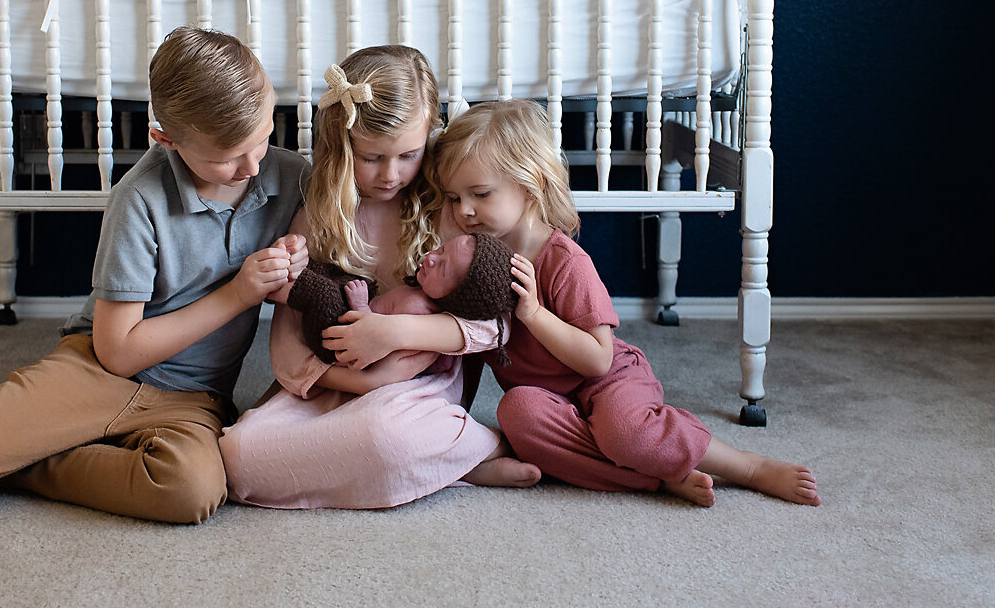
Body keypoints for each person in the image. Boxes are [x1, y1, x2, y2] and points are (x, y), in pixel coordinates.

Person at [0, 26, 311, 524]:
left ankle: (3, 456)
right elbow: (118, 354)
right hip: (98, 370)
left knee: (191, 491)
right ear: (165, 140)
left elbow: (310, 269)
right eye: (225, 157)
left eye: (262, 140)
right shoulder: (139, 199)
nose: (252, 167)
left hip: (193, 397)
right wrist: (238, 295)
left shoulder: (290, 176)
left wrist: (295, 262)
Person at [430, 99, 821, 508]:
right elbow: (468, 348)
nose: (464, 211)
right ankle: (651, 479)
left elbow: (598, 359)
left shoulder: (565, 262)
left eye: (479, 194)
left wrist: (534, 314)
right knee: (517, 413)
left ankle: (746, 466)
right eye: (454, 198)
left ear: (531, 185)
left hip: (607, 379)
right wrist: (452, 424)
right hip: (547, 396)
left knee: (625, 432)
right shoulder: (473, 267)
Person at [218, 46, 540, 509]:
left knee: (385, 436)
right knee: (238, 456)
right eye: (372, 158)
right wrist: (348, 380)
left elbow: (495, 322)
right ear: (343, 147)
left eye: (408, 155)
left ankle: (468, 449)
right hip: (333, 381)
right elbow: (289, 332)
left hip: (414, 385)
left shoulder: (446, 213)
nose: (392, 174)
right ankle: (450, 463)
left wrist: (394, 334)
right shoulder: (321, 217)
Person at [275, 232, 516, 367]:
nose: (432, 258)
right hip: (349, 315)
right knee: (341, 274)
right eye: (441, 250)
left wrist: (360, 305)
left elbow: (373, 343)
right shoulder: (420, 292)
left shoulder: (420, 313)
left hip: (339, 341)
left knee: (324, 294)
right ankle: (294, 268)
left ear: (455, 298)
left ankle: (277, 289)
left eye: (442, 269)